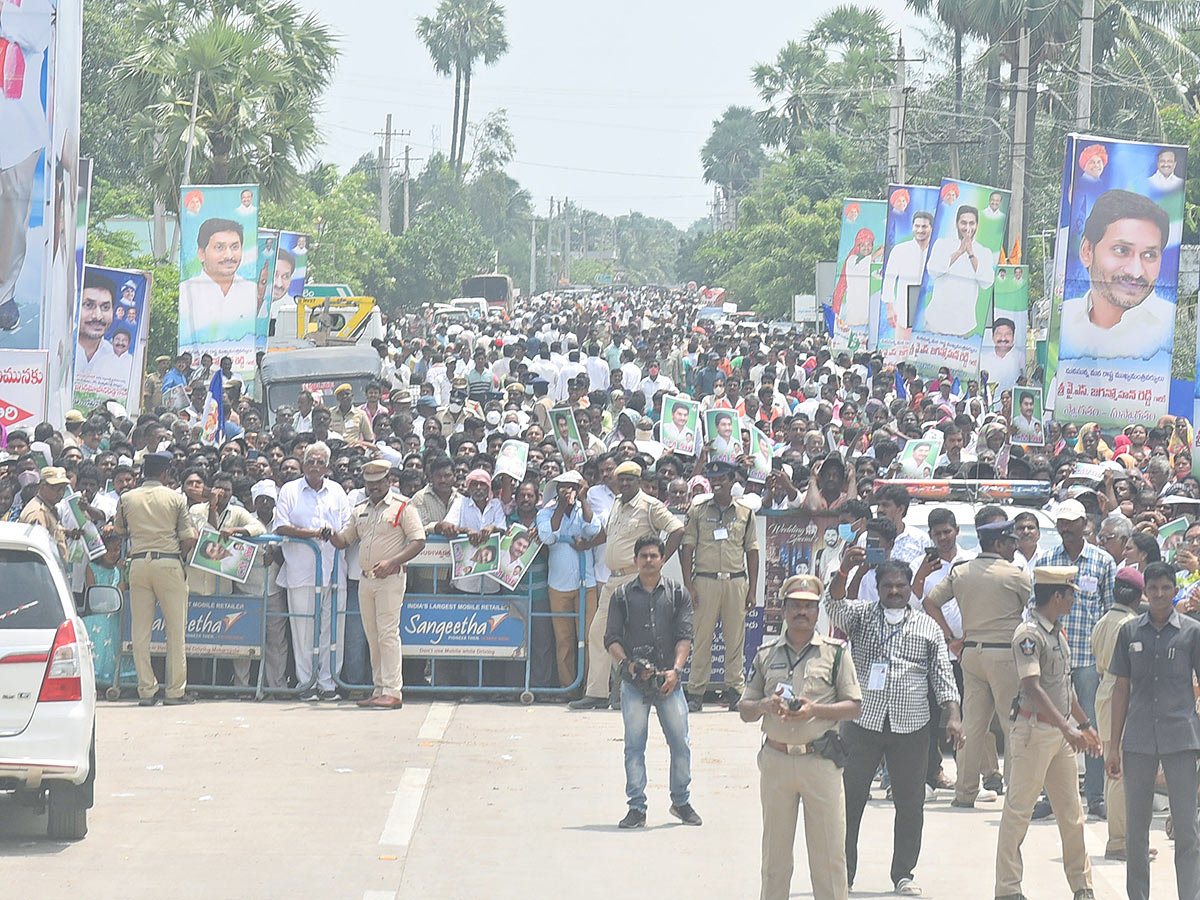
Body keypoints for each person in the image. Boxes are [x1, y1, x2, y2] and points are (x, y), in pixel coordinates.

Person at [825, 559, 961, 896]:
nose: (895, 591)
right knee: (850, 801)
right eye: (889, 586)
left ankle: (903, 873)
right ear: (879, 588)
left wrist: (954, 714)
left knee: (910, 802)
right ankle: (845, 874)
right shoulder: (860, 616)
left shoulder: (927, 627)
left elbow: (942, 674)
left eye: (901, 586)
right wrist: (846, 570)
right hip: (863, 723)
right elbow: (833, 603)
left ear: (909, 587)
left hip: (912, 727)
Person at [741, 574, 863, 900]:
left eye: (809, 607)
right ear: (783, 609)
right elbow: (745, 708)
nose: (802, 612)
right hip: (777, 761)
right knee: (775, 857)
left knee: (829, 858)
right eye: (795, 605)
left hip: (820, 761)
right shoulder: (766, 654)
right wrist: (765, 705)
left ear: (818, 611)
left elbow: (854, 707)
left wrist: (814, 711)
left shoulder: (836, 654)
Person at [995, 565, 1101, 900]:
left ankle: (1082, 887)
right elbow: (1033, 687)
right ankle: (1008, 890)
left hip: (1059, 735)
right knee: (1018, 812)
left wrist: (1083, 724)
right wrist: (1068, 727)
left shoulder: (1057, 631)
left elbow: (1063, 685)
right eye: (1070, 594)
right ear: (1057, 596)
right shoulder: (1030, 635)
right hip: (1033, 732)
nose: (1073, 600)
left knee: (1071, 815)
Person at [924, 509, 1031, 805]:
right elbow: (1029, 608)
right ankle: (1017, 793)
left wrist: (950, 639)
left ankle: (965, 790)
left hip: (970, 653)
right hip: (1004, 655)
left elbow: (930, 602)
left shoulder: (961, 571)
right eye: (1009, 541)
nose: (1014, 546)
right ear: (998, 544)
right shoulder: (1015, 575)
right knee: (1013, 724)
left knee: (972, 726)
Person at [1108, 561, 1200, 900]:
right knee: (1136, 831)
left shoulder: (1192, 632)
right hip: (1139, 741)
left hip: (1181, 739)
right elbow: (1121, 688)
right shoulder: (1130, 632)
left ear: (1176, 591)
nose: (1159, 595)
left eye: (1166, 588)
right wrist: (1113, 746)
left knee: (1188, 829)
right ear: (1144, 592)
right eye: (1153, 589)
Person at [570, 460, 683, 710]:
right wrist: (587, 545)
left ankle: (631, 694)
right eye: (620, 479)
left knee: (633, 637)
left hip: (636, 578)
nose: (624, 483)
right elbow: (607, 534)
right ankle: (597, 693)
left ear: (639, 481)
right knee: (598, 633)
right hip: (612, 580)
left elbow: (677, 529)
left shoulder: (650, 506)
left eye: (629, 480)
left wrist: (660, 561)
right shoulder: (618, 504)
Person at [604, 535, 699, 828]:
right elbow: (611, 639)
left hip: (669, 680)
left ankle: (681, 802)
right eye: (643, 556)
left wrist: (676, 671)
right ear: (635, 561)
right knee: (634, 746)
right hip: (634, 683)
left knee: (680, 745)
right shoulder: (621, 596)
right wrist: (627, 664)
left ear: (662, 560)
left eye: (653, 556)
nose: (648, 561)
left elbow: (685, 637)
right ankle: (636, 807)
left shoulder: (678, 593)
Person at [1033, 497, 1115, 819]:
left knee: (1091, 725)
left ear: (1085, 525)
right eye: (1061, 523)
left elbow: (1109, 613)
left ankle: (1095, 796)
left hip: (1089, 659)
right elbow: (1033, 606)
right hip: (1053, 658)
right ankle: (1051, 797)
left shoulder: (1102, 561)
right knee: (1053, 725)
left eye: (1071, 523)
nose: (1065, 528)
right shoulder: (1047, 560)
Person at [329, 459, 426, 709]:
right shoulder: (360, 508)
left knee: (388, 634)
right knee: (373, 636)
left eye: (378, 483)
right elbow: (345, 540)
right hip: (366, 579)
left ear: (387, 482)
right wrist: (329, 534)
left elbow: (418, 541)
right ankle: (380, 687)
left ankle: (393, 690)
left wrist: (393, 562)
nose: (374, 488)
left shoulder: (402, 506)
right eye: (369, 484)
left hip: (390, 578)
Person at [114, 452, 198, 706]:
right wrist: (178, 557)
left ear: (143, 473)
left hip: (138, 562)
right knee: (175, 631)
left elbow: (119, 531)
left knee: (140, 632)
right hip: (169, 561)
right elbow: (190, 537)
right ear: (164, 474)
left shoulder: (126, 498)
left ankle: (146, 690)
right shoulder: (176, 498)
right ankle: (175, 691)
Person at [272, 441, 351, 701]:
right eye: (310, 461)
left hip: (334, 570)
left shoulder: (338, 491)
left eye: (320, 462)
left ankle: (328, 684)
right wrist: (314, 535)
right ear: (303, 464)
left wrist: (333, 536)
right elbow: (281, 526)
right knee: (304, 630)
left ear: (328, 466)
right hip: (302, 571)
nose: (315, 466)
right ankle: (307, 684)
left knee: (332, 629)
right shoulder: (290, 490)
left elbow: (348, 528)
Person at [680, 460, 759, 711]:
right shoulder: (698, 510)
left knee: (735, 639)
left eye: (722, 479)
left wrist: (753, 589)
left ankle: (735, 690)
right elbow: (687, 548)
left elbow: (753, 552)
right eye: (713, 480)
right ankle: (695, 692)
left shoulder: (745, 513)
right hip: (705, 580)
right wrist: (688, 585)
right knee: (701, 638)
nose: (717, 484)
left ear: (731, 480)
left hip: (736, 580)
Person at [1058, 190, 1175, 360]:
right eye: (1121, 250)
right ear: (1087, 251)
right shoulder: (1064, 321)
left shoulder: (1170, 328)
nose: (1136, 272)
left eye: (1149, 255)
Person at [1091, 566, 1145, 862]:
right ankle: (1118, 840)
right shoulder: (1130, 624)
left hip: (1106, 690)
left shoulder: (1103, 621)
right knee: (1119, 769)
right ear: (1138, 597)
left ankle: (1129, 837)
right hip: (1121, 693)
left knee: (1121, 766)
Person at [536, 470, 600, 691]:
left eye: (572, 487)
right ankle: (567, 686)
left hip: (587, 583)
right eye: (563, 487)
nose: (568, 491)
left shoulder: (585, 510)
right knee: (564, 639)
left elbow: (594, 529)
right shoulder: (546, 513)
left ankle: (589, 686)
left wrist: (583, 499)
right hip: (559, 584)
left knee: (590, 637)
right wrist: (562, 506)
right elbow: (547, 536)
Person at [178, 217, 257, 343]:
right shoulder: (185, 292)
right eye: (219, 247)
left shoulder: (253, 291)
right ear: (201, 254)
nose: (229, 255)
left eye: (235, 247)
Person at [921, 205, 995, 336]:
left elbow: (987, 282)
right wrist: (960, 251)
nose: (967, 228)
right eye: (963, 223)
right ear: (956, 224)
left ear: (977, 225)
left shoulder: (984, 252)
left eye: (971, 223)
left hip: (963, 325)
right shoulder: (942, 244)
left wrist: (971, 254)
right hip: (936, 322)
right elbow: (933, 271)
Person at [881, 210, 933, 331]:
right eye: (917, 226)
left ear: (931, 228)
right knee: (902, 345)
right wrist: (889, 309)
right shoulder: (900, 250)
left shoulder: (937, 250)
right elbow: (889, 280)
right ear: (912, 227)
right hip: (904, 310)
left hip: (931, 309)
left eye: (924, 226)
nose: (920, 230)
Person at [20, 466, 71, 560]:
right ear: (42, 487)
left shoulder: (48, 507)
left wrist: (67, 532)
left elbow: (51, 531)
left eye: (63, 489)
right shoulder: (37, 512)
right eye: (57, 489)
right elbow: (36, 547)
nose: (61, 493)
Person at [979, 317, 1023, 393]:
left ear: (1013, 337)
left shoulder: (1020, 357)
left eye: (1008, 334)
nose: (1003, 338)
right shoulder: (984, 358)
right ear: (993, 337)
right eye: (999, 334)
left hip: (1012, 402)